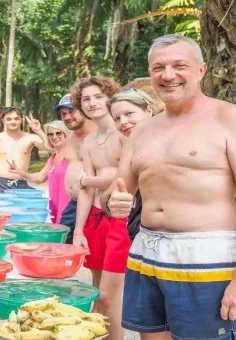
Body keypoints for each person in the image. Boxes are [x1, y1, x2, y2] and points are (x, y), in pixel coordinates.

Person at [102, 34, 236, 340]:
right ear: (150, 73)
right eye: (159, 67)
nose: (168, 75)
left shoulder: (228, 119)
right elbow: (115, 192)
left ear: (201, 70)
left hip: (208, 259)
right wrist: (115, 201)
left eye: (180, 65)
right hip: (147, 253)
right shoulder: (143, 130)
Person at [69, 76, 125, 340]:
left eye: (98, 96)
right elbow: (85, 191)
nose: (92, 103)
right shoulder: (90, 142)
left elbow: (125, 177)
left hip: (119, 217)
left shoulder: (125, 133)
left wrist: (85, 179)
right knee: (95, 288)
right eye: (86, 99)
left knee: (109, 294)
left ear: (110, 97)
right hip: (94, 217)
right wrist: (79, 230)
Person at [108, 88, 159, 241]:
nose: (123, 122)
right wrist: (112, 201)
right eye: (116, 118)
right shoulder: (131, 147)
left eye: (129, 114)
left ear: (149, 110)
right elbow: (115, 189)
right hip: (138, 226)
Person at [8, 120, 72, 223]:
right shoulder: (53, 157)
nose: (54, 137)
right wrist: (20, 172)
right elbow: (39, 177)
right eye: (50, 134)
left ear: (66, 134)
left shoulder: (72, 155)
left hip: (69, 208)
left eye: (58, 133)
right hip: (54, 206)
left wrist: (38, 131)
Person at [53, 94, 97, 242]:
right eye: (63, 113)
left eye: (71, 111)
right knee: (62, 245)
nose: (67, 117)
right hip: (73, 204)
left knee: (96, 254)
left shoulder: (99, 135)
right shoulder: (68, 140)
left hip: (97, 204)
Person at [0, 108, 51, 193]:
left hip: (22, 183)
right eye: (9, 119)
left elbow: (50, 148)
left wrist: (38, 131)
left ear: (21, 120)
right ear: (3, 121)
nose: (13, 122)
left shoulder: (30, 138)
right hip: (0, 184)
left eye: (16, 119)